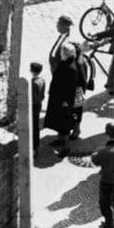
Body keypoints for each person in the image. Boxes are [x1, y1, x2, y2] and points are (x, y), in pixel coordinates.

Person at [44, 17, 79, 158]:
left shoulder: (70, 67)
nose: (56, 25)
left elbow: (71, 87)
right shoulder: (62, 37)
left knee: (64, 121)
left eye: (58, 23)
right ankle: (61, 139)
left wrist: (65, 101)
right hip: (59, 89)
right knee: (60, 120)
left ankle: (65, 146)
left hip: (64, 97)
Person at [30, 62, 46, 155]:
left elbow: (32, 97)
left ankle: (34, 149)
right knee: (36, 126)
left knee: (33, 127)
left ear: (31, 70)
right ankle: (36, 147)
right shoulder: (42, 80)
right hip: (39, 104)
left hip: (33, 105)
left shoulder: (33, 83)